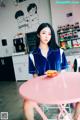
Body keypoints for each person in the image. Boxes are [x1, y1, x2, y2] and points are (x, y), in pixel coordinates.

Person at [23, 23, 68, 120]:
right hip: (42, 89)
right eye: (44, 33)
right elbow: (35, 76)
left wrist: (60, 82)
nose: (47, 36)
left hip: (59, 87)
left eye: (49, 34)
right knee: (26, 103)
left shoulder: (59, 51)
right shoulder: (32, 55)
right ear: (38, 35)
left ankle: (66, 114)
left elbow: (64, 71)